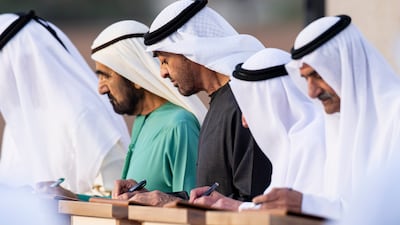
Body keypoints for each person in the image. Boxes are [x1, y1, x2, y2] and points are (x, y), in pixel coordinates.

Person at [35, 20, 207, 200]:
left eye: (106, 77)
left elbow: (192, 207)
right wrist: (71, 197)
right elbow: (126, 205)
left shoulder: (179, 125)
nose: (101, 88)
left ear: (135, 75)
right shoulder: (143, 120)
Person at [134, 0, 273, 204]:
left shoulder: (243, 103)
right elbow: (212, 196)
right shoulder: (219, 102)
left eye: (165, 61)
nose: (162, 72)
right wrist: (158, 197)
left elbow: (252, 202)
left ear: (190, 50)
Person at [283, 14, 400, 219]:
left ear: (346, 65)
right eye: (306, 78)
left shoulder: (395, 114)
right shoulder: (335, 124)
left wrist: (307, 204)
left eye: (318, 75)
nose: (312, 92)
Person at [0, 11, 130, 193]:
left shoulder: (84, 114)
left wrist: (64, 200)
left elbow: (116, 197)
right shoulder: (17, 126)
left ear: (22, 62)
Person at [189, 48, 326, 212]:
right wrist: (234, 206)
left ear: (274, 101)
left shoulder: (316, 141)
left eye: (250, 108)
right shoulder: (289, 148)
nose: (244, 122)